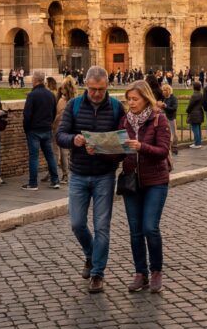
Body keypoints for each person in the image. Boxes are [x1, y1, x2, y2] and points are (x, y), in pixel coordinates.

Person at [56, 65, 126, 293]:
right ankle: (90, 254)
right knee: (77, 223)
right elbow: (60, 135)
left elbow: (124, 142)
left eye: (101, 89)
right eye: (93, 89)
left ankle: (97, 274)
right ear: (86, 85)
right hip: (78, 173)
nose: (97, 93)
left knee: (102, 226)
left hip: (105, 175)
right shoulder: (74, 105)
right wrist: (73, 139)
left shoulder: (116, 107)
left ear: (107, 86)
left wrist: (106, 148)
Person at [119, 81, 172, 294]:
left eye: (135, 99)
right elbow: (120, 153)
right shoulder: (124, 122)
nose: (131, 103)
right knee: (135, 231)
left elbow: (163, 151)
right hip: (132, 181)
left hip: (156, 181)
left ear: (146, 99)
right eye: (128, 99)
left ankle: (156, 271)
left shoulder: (159, 119)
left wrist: (142, 147)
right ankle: (140, 273)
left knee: (150, 227)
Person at [21, 71, 59, 191]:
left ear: (35, 80)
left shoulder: (32, 95)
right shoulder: (51, 95)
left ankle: (33, 183)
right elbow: (54, 112)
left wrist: (26, 128)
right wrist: (49, 124)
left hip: (34, 130)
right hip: (47, 129)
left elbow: (27, 115)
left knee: (34, 157)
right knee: (50, 156)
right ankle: (55, 180)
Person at [54, 77, 78, 184]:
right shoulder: (76, 100)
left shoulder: (62, 101)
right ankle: (69, 173)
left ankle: (65, 175)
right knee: (69, 153)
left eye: (62, 88)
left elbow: (59, 116)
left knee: (63, 152)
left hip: (62, 129)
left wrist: (54, 124)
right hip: (73, 129)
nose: (60, 89)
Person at [160, 84, 179, 156]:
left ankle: (174, 149)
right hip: (165, 118)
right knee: (166, 134)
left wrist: (166, 106)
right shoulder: (164, 99)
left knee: (173, 134)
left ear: (168, 90)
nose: (163, 92)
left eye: (164, 90)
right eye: (163, 90)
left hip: (171, 118)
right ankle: (168, 149)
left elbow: (174, 108)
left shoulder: (173, 98)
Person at [186, 82, 205, 148]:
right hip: (199, 112)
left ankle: (197, 143)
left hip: (194, 113)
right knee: (198, 128)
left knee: (195, 128)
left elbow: (190, 105)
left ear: (194, 87)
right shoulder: (201, 94)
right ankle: (198, 142)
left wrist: (187, 110)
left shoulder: (194, 95)